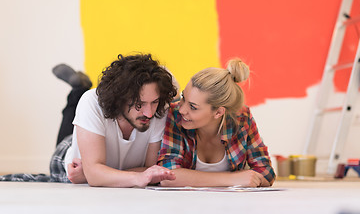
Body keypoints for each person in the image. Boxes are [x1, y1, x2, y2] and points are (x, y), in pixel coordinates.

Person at [50, 53, 178, 187]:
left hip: (97, 143)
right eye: (139, 104)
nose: (149, 113)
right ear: (119, 99)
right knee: (68, 136)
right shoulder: (91, 101)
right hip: (68, 158)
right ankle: (77, 91)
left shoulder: (160, 110)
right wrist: (136, 176)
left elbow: (151, 169)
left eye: (154, 102)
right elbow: (94, 176)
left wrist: (97, 173)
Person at [157, 58, 276, 187]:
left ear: (218, 112)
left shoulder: (242, 117)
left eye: (193, 107)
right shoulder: (174, 114)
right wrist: (233, 179)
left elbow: (266, 171)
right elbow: (167, 175)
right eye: (183, 98)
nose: (182, 109)